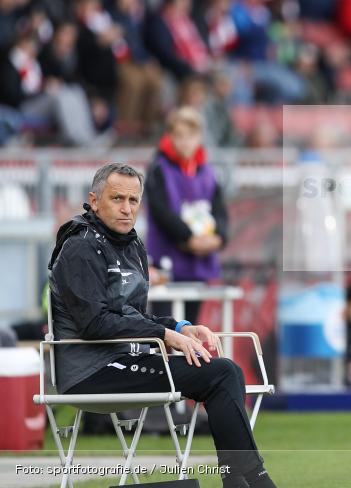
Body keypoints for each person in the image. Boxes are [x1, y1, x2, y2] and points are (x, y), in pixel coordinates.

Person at [47, 162, 276, 488]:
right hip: (89, 372)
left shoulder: (132, 245)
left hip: (123, 360)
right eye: (117, 199)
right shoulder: (80, 247)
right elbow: (95, 324)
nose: (127, 209)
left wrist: (180, 328)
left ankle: (240, 481)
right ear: (94, 201)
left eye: (133, 200)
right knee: (221, 374)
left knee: (228, 370)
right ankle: (256, 479)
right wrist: (164, 335)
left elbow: (132, 315)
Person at [145, 107, 229, 322]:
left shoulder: (209, 173)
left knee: (191, 325)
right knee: (163, 322)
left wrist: (219, 237)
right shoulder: (158, 169)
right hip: (167, 262)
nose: (185, 142)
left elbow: (220, 210)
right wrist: (188, 238)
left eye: (190, 136)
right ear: (170, 136)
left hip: (197, 265)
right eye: (179, 135)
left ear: (199, 137)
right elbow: (160, 211)